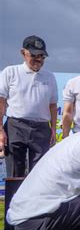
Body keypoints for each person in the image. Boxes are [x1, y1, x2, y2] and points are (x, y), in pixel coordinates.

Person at [0, 35, 58, 177]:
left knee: (39, 174)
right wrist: (0, 130)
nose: (38, 59)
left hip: (41, 128)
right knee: (15, 171)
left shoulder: (49, 77)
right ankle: (13, 200)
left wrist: (53, 130)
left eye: (42, 56)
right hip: (16, 126)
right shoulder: (10, 72)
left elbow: (53, 105)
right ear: (23, 53)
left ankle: (36, 200)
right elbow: (1, 102)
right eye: (34, 55)